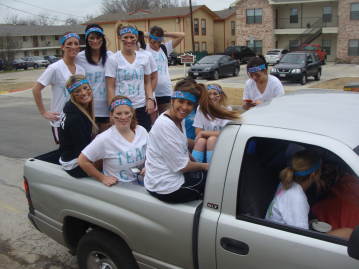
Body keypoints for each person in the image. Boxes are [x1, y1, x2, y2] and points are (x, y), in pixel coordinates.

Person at [144, 78, 239, 203]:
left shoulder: (178, 119)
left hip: (165, 177)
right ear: (172, 100)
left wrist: (197, 162)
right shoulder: (165, 125)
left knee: (214, 178)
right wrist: (206, 166)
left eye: (189, 104)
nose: (184, 107)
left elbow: (181, 147)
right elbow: (182, 166)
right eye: (181, 101)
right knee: (220, 186)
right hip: (167, 188)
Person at [265, 150, 353, 239]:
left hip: (278, 234)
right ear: (313, 174)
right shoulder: (297, 198)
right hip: (283, 241)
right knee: (348, 233)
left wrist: (310, 223)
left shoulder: (286, 183)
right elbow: (302, 239)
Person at [78, 96, 149, 187]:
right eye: (118, 113)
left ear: (132, 113)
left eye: (127, 113)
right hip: (120, 185)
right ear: (111, 115)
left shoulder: (141, 131)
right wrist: (102, 178)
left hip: (141, 180)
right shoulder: (104, 138)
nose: (123, 117)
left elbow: (152, 152)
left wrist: (148, 166)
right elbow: (82, 160)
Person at [33, 32, 85, 143]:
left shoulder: (81, 69)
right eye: (69, 43)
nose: (73, 46)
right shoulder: (55, 68)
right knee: (65, 153)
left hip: (78, 118)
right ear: (62, 47)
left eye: (76, 43)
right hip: (60, 120)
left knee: (79, 152)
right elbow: (36, 89)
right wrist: (44, 112)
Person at [106, 25, 155, 131]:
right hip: (122, 108)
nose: (129, 40)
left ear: (136, 38)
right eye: (125, 37)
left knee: (144, 137)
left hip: (141, 106)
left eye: (132, 37)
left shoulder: (144, 58)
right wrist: (112, 110)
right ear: (120, 38)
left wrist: (150, 99)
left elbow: (147, 82)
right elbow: (110, 87)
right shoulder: (113, 59)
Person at [58, 75, 98, 178]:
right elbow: (84, 151)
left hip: (69, 156)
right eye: (77, 91)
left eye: (85, 88)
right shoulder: (75, 118)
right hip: (74, 164)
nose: (83, 93)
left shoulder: (70, 106)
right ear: (72, 95)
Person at [76, 24, 113, 132]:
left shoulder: (111, 56)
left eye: (98, 37)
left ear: (103, 38)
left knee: (106, 144)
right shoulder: (79, 58)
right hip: (88, 108)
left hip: (107, 108)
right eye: (91, 38)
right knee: (90, 144)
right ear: (87, 39)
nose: (95, 41)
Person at [146, 26, 185, 114]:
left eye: (159, 42)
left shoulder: (165, 48)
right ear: (149, 39)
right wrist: (148, 34)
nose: (156, 45)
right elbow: (135, 35)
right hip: (151, 93)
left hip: (166, 92)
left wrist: (165, 33)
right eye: (153, 42)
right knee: (153, 123)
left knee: (168, 120)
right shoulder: (144, 48)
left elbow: (182, 35)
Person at [192, 84, 232, 163]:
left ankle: (211, 169)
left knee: (211, 140)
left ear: (220, 96)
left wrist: (204, 133)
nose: (212, 97)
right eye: (209, 94)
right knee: (201, 141)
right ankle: (196, 170)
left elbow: (227, 133)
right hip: (205, 139)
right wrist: (203, 134)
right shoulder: (201, 108)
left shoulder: (227, 109)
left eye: (215, 94)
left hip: (223, 140)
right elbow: (198, 131)